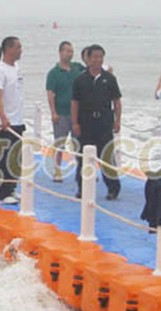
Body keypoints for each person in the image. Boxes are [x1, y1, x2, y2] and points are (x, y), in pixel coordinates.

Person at [71, 44, 122, 200]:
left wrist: (117, 120)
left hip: (104, 123)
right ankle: (82, 187)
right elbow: (74, 103)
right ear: (88, 58)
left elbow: (117, 101)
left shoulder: (110, 79)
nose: (98, 60)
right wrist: (75, 123)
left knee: (107, 157)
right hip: (85, 123)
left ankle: (113, 189)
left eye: (100, 57)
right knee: (83, 157)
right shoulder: (80, 79)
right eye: (95, 57)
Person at [0, 36, 25, 205]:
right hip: (3, 123)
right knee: (5, 158)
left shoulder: (16, 67)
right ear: (9, 49)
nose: (21, 50)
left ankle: (12, 188)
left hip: (18, 120)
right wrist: (3, 118)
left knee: (16, 158)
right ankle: (3, 194)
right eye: (18, 47)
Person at [45, 42, 84, 182]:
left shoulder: (77, 68)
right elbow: (50, 94)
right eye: (68, 51)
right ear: (60, 52)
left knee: (79, 143)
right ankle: (57, 171)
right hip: (61, 113)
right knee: (60, 143)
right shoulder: (53, 73)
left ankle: (82, 171)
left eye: (72, 51)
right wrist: (53, 112)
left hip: (77, 114)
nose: (70, 53)